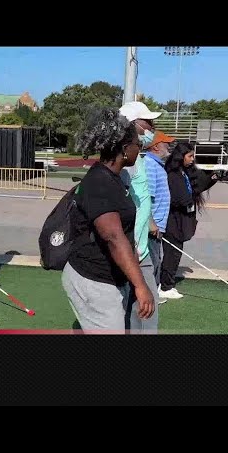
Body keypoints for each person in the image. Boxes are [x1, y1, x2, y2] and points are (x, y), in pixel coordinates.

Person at [62, 106, 155, 332]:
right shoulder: (100, 182)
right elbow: (113, 236)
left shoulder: (113, 178)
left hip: (108, 277)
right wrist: (141, 286)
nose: (140, 148)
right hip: (93, 279)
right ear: (125, 149)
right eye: (138, 145)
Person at [118, 101, 164, 332]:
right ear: (133, 125)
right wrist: (129, 245)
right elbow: (117, 207)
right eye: (148, 123)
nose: (152, 128)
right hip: (131, 251)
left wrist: (149, 221)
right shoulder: (126, 162)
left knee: (142, 310)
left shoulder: (138, 159)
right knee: (141, 309)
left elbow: (139, 198)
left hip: (140, 249)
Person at [159, 142, 218, 299]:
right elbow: (181, 198)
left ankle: (166, 284)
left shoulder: (184, 172)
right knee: (172, 254)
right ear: (181, 156)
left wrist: (211, 178)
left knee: (175, 253)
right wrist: (190, 196)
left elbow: (195, 188)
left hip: (182, 220)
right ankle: (165, 287)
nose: (192, 159)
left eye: (193, 156)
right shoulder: (173, 174)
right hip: (172, 220)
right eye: (190, 156)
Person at [143, 129, 175, 292]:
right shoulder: (149, 165)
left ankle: (152, 295)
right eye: (166, 143)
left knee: (155, 261)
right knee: (151, 263)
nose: (169, 146)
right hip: (152, 228)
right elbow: (146, 197)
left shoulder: (157, 165)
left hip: (157, 226)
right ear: (156, 146)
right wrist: (152, 223)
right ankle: (149, 297)